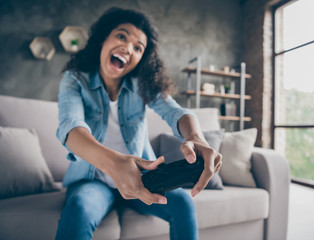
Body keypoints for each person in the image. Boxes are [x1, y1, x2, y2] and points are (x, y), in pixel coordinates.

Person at [55, 7, 222, 240]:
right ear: (103, 38)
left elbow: (175, 111)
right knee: (79, 208)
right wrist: (115, 165)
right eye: (121, 36)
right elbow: (70, 127)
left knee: (182, 203)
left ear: (141, 58)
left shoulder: (144, 85)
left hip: (143, 180)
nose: (127, 48)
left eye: (138, 47)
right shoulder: (74, 79)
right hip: (93, 181)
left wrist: (195, 136)